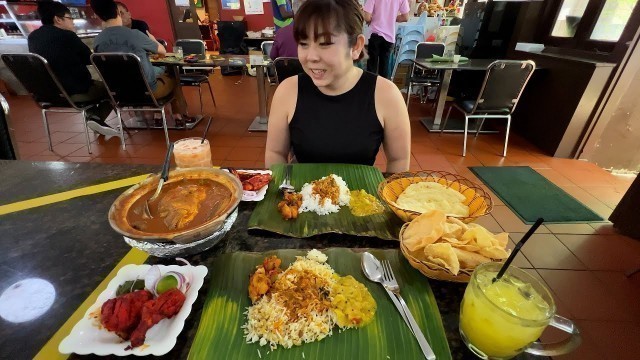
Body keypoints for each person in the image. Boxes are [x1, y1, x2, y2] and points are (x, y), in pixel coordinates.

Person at [265, 0, 411, 173]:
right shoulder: (288, 91)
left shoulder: (386, 94)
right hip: (302, 195)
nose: (311, 57)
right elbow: (275, 153)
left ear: (356, 46)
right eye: (303, 43)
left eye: (325, 43)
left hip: (359, 197)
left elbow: (399, 159)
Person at [28, 0, 118, 139]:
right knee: (114, 89)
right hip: (73, 92)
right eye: (70, 18)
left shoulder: (32, 37)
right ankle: (94, 118)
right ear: (58, 19)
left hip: (46, 94)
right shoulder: (67, 36)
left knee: (98, 88)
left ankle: (95, 119)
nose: (73, 23)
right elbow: (90, 59)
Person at [91, 0, 189, 121]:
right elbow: (162, 51)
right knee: (173, 76)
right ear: (118, 13)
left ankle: (158, 116)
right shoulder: (134, 34)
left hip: (119, 93)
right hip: (148, 91)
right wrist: (153, 39)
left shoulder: (98, 41)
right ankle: (180, 116)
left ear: (99, 16)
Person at [363, 0, 410, 79]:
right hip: (389, 37)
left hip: (375, 35)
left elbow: (367, 17)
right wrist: (391, 18)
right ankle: (384, 89)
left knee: (371, 67)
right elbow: (405, 17)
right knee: (385, 67)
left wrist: (371, 19)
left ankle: (370, 89)